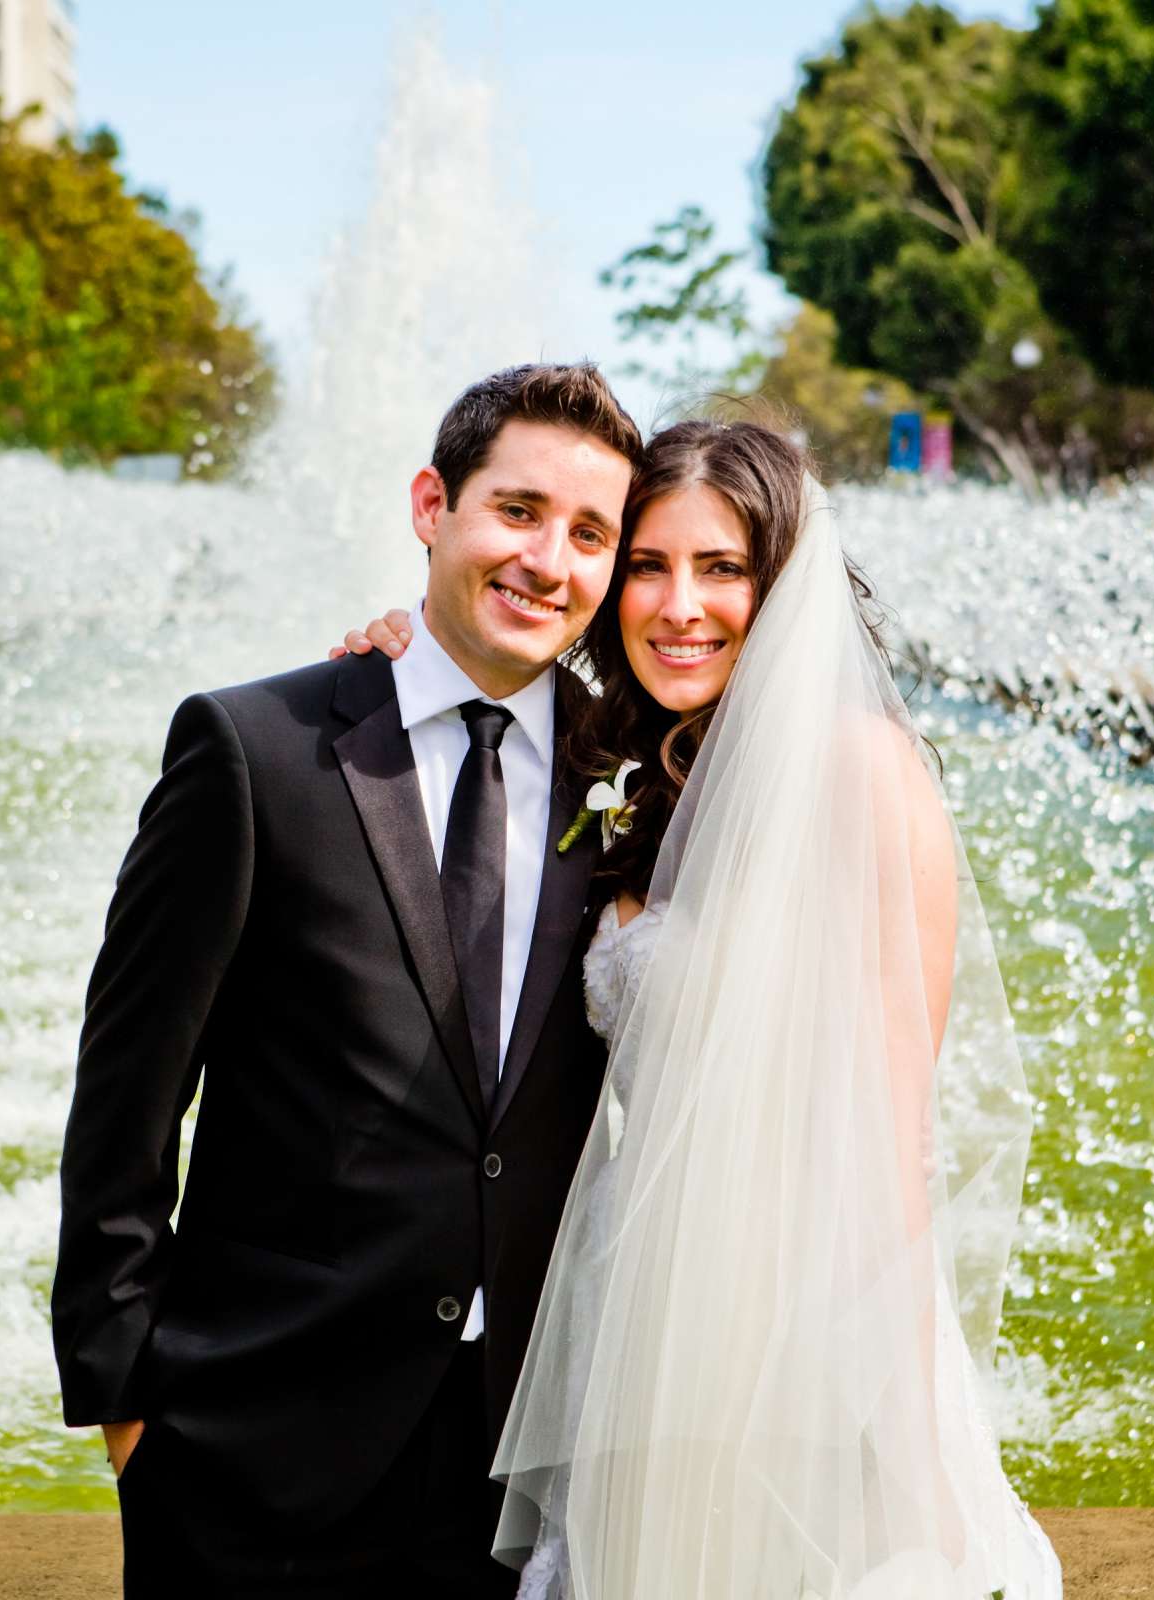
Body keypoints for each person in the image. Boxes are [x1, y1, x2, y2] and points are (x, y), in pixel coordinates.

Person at [336, 418, 1063, 1598]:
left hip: (789, 1315)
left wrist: (906, 1432)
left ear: (781, 586)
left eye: (722, 568)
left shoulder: (859, 768)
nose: (681, 605)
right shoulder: (614, 764)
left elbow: (892, 1136)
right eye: (648, 565)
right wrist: (398, 640)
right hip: (629, 1303)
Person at [50, 362, 642, 1596]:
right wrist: (130, 1410)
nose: (550, 559)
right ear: (433, 505)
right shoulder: (251, 749)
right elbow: (127, 1100)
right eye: (518, 511)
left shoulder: (632, 780)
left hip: (535, 1462)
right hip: (257, 1451)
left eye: (591, 533)